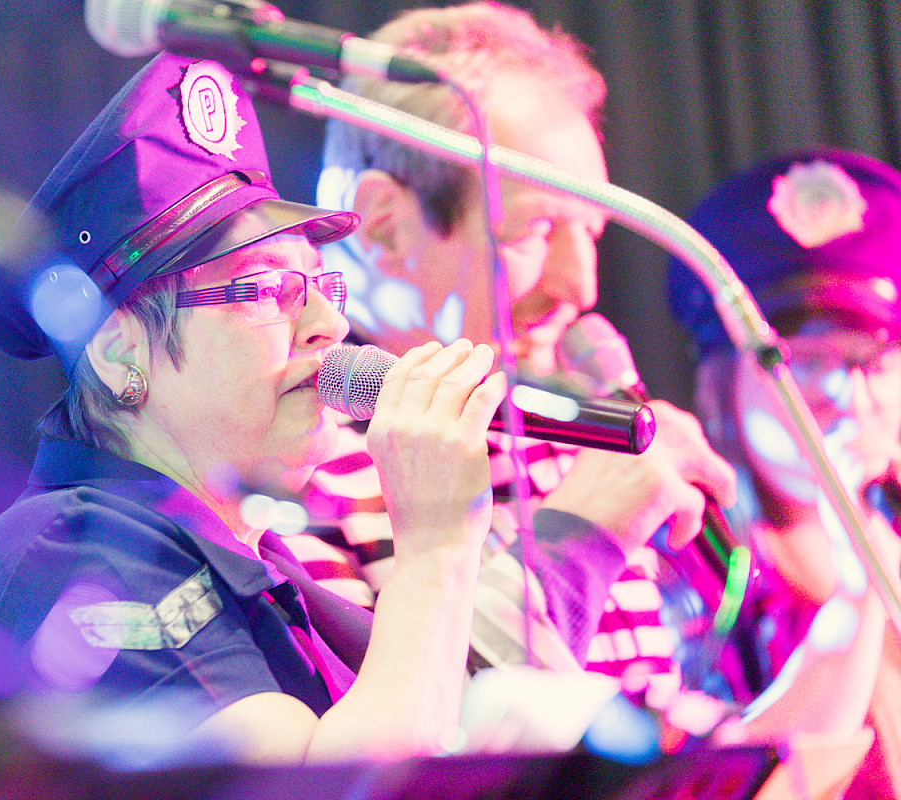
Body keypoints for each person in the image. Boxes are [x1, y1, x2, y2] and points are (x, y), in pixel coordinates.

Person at [300, 1, 885, 746]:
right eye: (535, 230)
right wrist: (584, 532)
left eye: (591, 232)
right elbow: (393, 761)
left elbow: (686, 767)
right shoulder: (299, 463)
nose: (580, 287)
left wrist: (859, 591)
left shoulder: (562, 442)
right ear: (384, 222)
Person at [0, 52, 509, 764]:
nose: (329, 323)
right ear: (118, 350)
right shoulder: (75, 552)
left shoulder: (249, 559)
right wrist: (435, 547)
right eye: (266, 289)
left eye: (322, 286)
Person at [667, 147, 901, 798]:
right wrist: (856, 600)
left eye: (875, 362)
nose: (847, 396)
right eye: (805, 361)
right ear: (719, 387)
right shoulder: (685, 563)